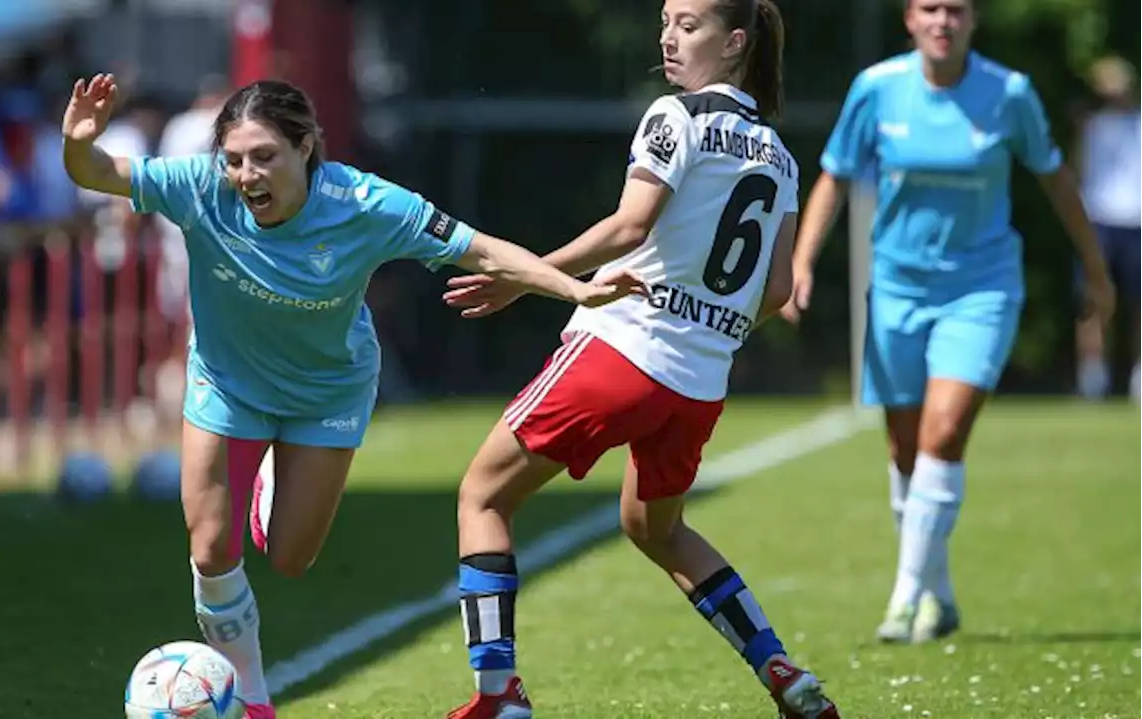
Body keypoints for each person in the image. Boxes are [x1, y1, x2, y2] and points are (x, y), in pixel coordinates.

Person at [61, 74, 644, 717]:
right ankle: (251, 699)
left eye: (264, 157)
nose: (246, 175)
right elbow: (95, 171)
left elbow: (480, 251)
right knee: (209, 547)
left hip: (326, 390)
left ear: (306, 147)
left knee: (289, 558)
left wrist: (575, 289)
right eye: (233, 159)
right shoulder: (198, 186)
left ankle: (266, 485)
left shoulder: (366, 204)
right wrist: (76, 141)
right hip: (227, 383)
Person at [440, 1, 840, 717]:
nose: (668, 35)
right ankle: (782, 671)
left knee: (484, 495)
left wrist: (526, 274)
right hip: (698, 383)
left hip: (623, 350)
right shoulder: (779, 155)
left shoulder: (675, 116)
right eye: (666, 20)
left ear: (735, 42)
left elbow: (629, 225)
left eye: (688, 24)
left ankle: (497, 691)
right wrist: (707, 320)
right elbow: (776, 291)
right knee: (656, 526)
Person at [786, 0, 1115, 644]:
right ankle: (939, 591)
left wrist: (1095, 270)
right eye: (930, 9)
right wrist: (802, 262)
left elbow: (1056, 179)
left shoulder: (1009, 93)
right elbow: (834, 176)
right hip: (898, 290)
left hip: (982, 289)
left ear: (974, 21)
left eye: (956, 10)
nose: (943, 21)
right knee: (905, 449)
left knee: (944, 431)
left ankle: (906, 596)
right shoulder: (877, 89)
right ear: (909, 19)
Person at [1074, 56, 1142, 403]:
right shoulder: (1090, 125)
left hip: (1137, 221)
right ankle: (1092, 378)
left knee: (1138, 304)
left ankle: (1137, 377)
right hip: (1098, 220)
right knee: (1093, 303)